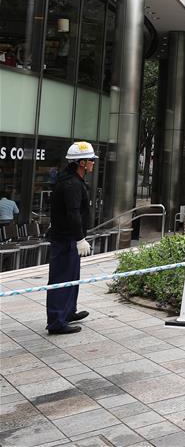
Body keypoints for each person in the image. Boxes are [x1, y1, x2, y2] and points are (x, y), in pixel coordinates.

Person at [46, 141, 97, 335]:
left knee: (72, 277)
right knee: (61, 278)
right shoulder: (71, 183)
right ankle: (57, 321)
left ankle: (68, 312)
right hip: (66, 239)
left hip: (68, 238)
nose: (93, 163)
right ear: (82, 162)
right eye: (91, 160)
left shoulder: (72, 179)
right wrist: (79, 239)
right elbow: (73, 213)